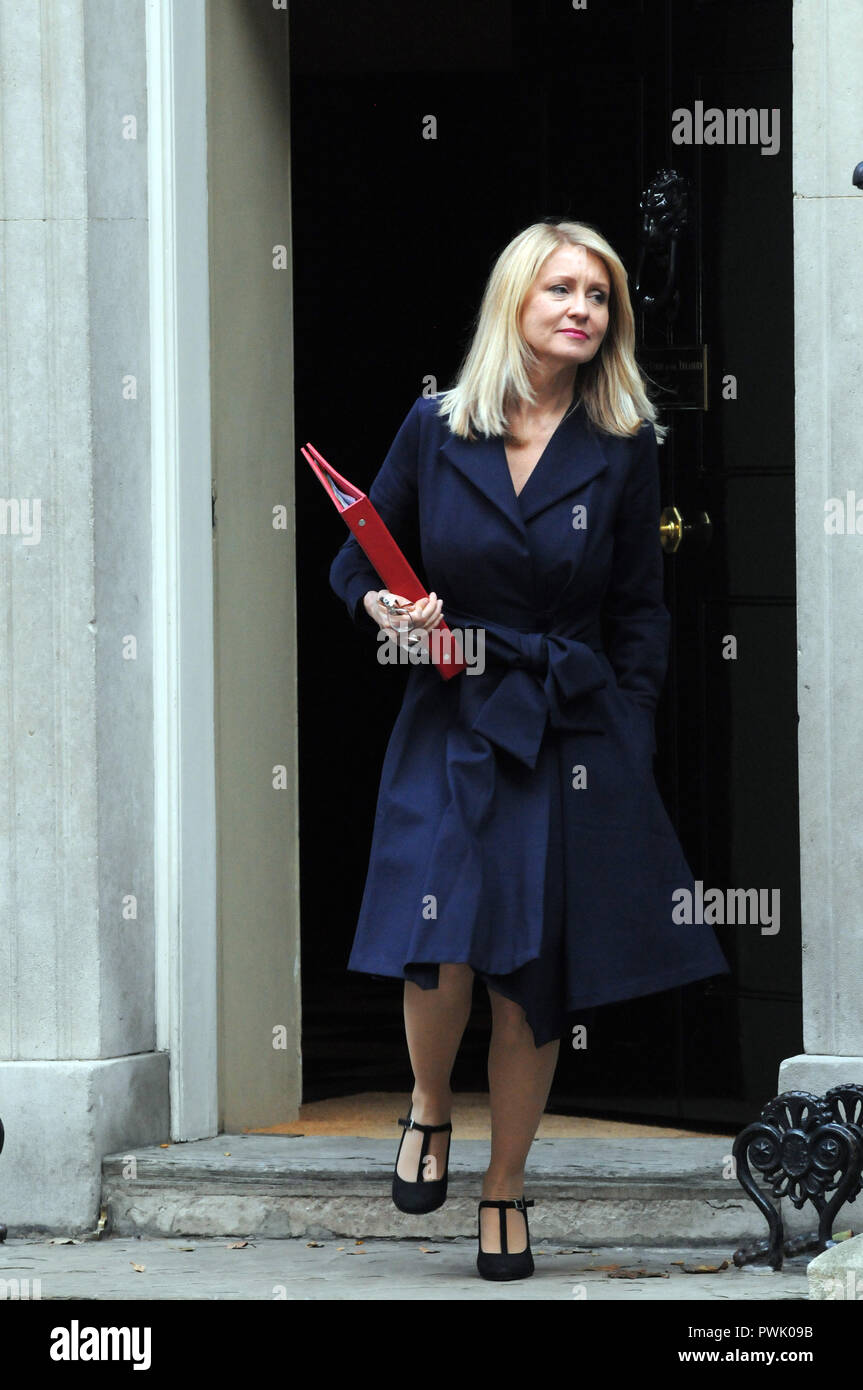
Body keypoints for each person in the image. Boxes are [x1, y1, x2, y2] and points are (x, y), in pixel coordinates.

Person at [328, 219, 730, 1281]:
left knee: (528, 973)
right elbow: (351, 557)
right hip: (450, 707)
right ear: (516, 300)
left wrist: (628, 732)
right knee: (436, 936)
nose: (581, 310)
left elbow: (641, 611)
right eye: (560, 288)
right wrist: (384, 604)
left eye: (597, 296)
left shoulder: (622, 446)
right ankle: (426, 1101)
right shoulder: (436, 425)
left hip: (564, 723)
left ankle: (504, 1183)